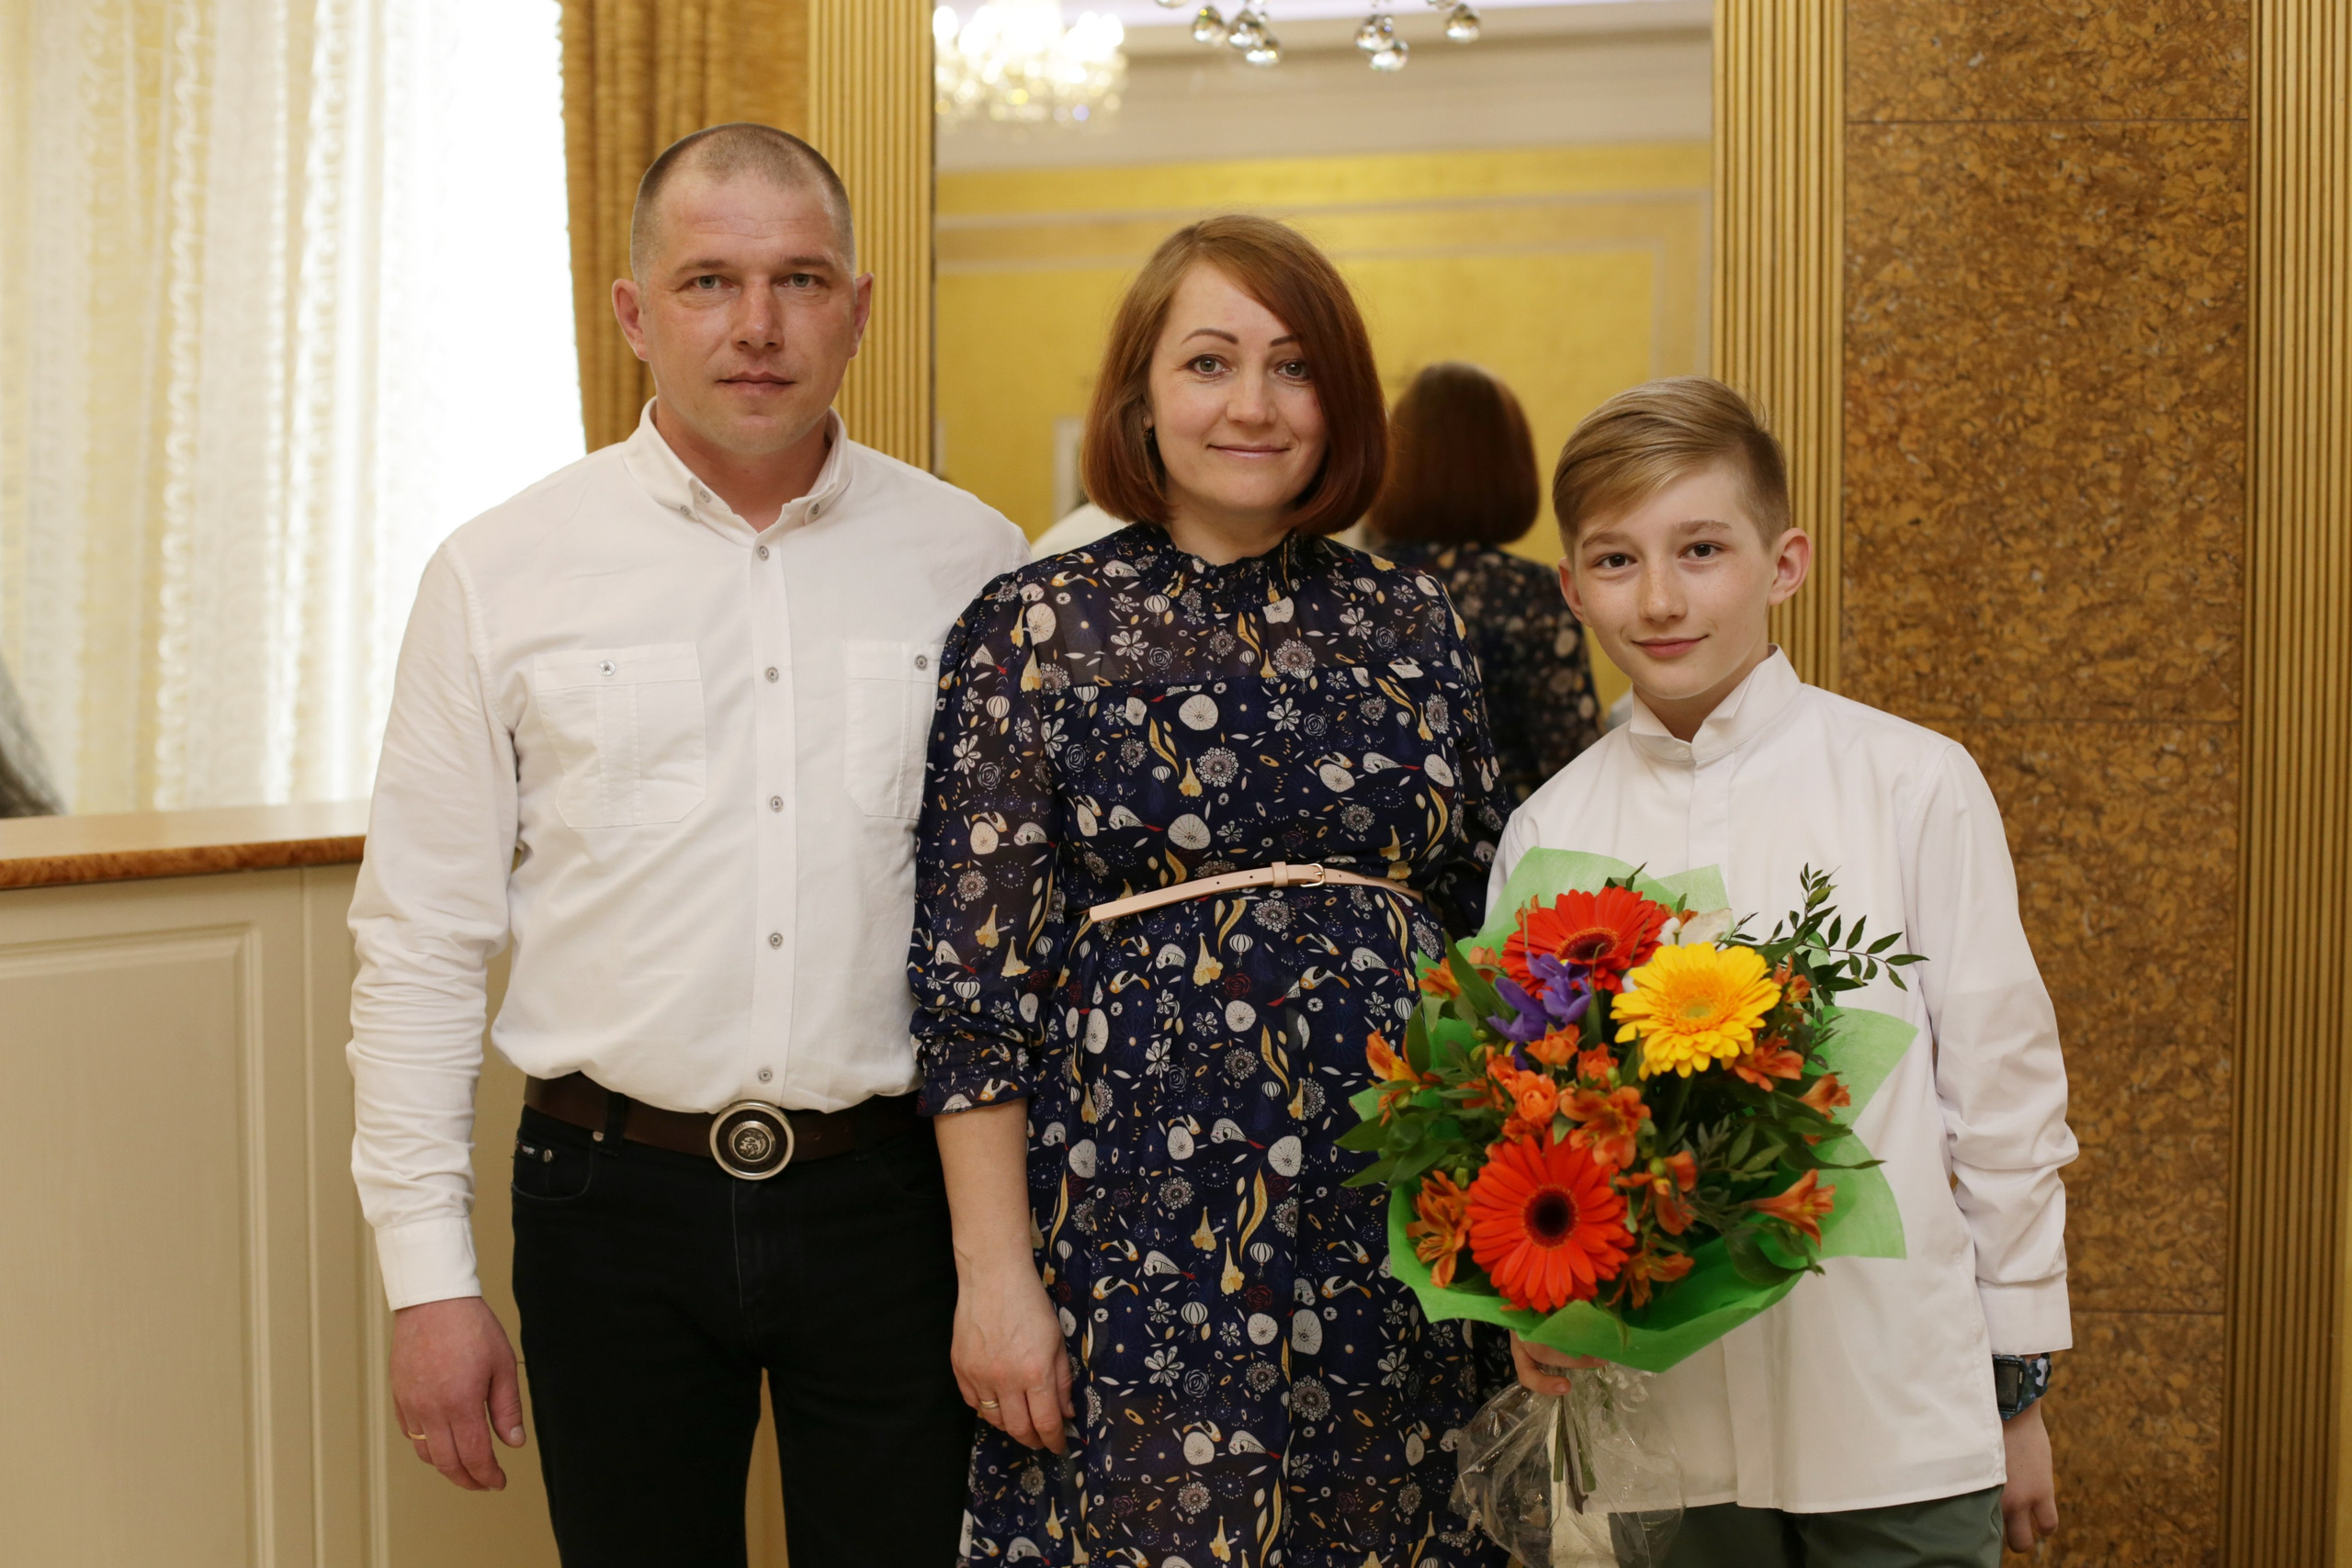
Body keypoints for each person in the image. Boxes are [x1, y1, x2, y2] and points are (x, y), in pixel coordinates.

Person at [346, 123, 1028, 1567]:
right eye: (710, 280)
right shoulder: (499, 570)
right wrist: (428, 1281)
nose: (758, 326)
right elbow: (419, 936)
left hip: (898, 1209)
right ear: (635, 311)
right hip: (610, 1207)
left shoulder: (980, 564)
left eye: (799, 279)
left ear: (858, 305)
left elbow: (1024, 935)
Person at [910, 214, 1516, 1564]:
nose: (1253, 403)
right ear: (1140, 394)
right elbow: (970, 997)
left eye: (1294, 366)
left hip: (1397, 1226)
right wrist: (995, 1277)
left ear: (1340, 402)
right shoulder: (1035, 626)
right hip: (1130, 1236)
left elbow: (1490, 947)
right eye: (1208, 362)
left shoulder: (1416, 621)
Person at [1498, 378, 2073, 1565]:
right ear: (1570, 586)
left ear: (1785, 560)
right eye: (1614, 559)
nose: (1659, 597)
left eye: (1701, 548)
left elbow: (2002, 1099)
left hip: (1900, 1404)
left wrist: (2014, 1386)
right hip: (1664, 1418)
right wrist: (1531, 1298)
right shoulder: (1546, 830)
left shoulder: (1912, 782)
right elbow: (1526, 1122)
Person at [1363, 361, 1602, 804]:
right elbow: (1576, 765)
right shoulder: (1528, 594)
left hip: (1392, 848)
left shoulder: (1357, 588)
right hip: (1512, 853)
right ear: (1507, 466)